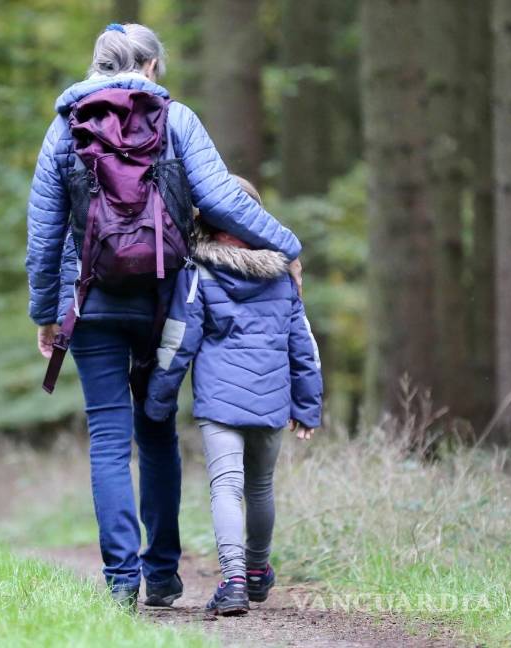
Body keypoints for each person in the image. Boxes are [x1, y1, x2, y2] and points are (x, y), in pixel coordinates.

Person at [25, 23, 303, 610]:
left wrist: (46, 313)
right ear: (151, 66)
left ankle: (121, 581)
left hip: (91, 301)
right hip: (164, 301)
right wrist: (287, 246)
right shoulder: (178, 120)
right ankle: (164, 574)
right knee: (156, 431)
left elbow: (44, 233)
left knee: (107, 437)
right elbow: (224, 199)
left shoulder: (63, 128)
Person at [144, 178, 323, 615]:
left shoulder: (199, 271)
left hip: (220, 403)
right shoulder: (282, 274)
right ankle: (259, 571)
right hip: (271, 398)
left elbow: (178, 340)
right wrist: (307, 404)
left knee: (226, 487)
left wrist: (158, 399)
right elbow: (304, 345)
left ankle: (235, 581)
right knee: (260, 487)